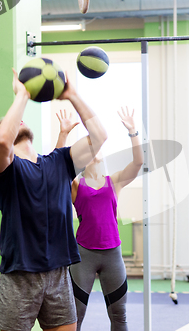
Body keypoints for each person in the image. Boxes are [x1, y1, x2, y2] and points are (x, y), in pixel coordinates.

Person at [0, 69, 107, 331]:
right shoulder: (5, 168)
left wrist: (72, 94)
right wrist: (22, 95)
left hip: (59, 273)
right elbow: (3, 143)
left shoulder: (59, 162)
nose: (14, 122)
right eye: (4, 124)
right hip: (20, 276)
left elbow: (100, 137)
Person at [56, 107, 143, 331]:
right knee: (75, 316)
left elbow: (138, 163)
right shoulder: (76, 185)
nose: (96, 151)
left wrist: (133, 132)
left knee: (119, 316)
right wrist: (63, 134)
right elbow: (56, 171)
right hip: (83, 255)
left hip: (113, 254)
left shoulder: (114, 182)